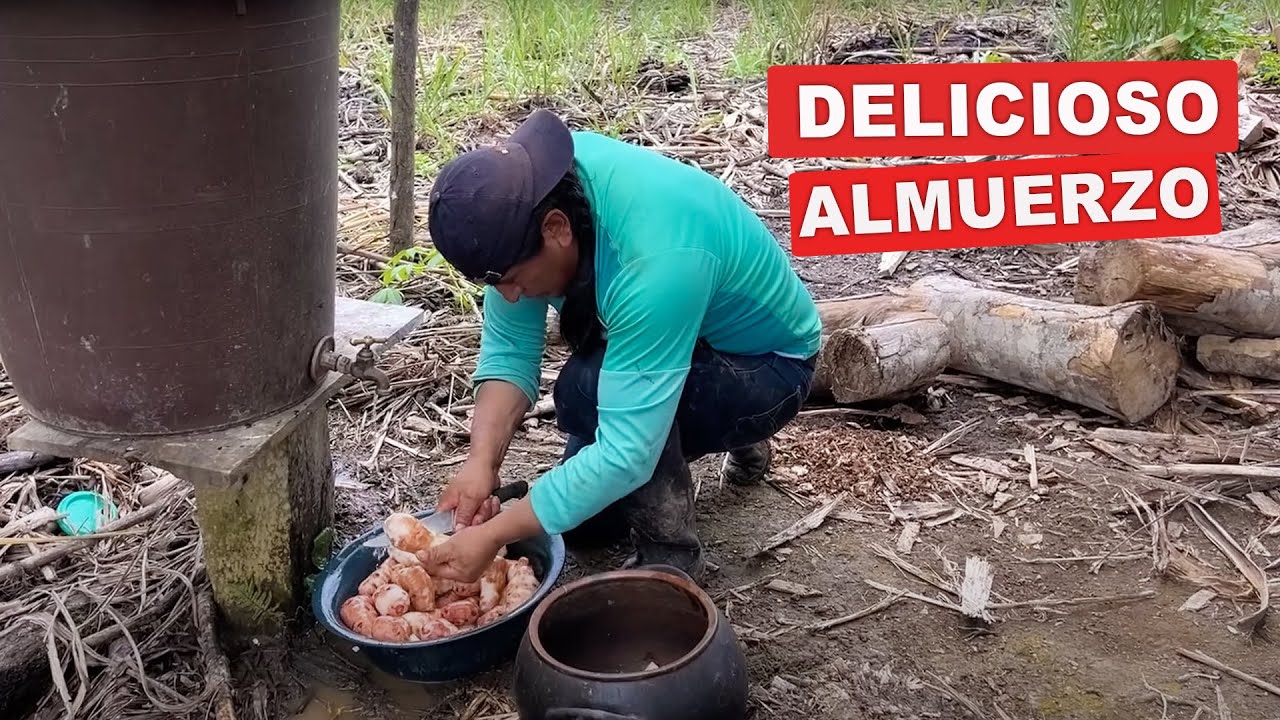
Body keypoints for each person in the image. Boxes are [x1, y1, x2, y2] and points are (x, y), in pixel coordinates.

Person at [416, 109, 822, 585]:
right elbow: (509, 349)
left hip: (770, 367)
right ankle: (720, 429)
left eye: (513, 281)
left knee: (586, 391)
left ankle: (671, 558)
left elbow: (626, 453)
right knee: (584, 527)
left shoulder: (653, 260)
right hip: (687, 329)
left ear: (556, 229)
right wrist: (480, 463)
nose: (508, 297)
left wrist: (492, 535)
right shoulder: (527, 197)